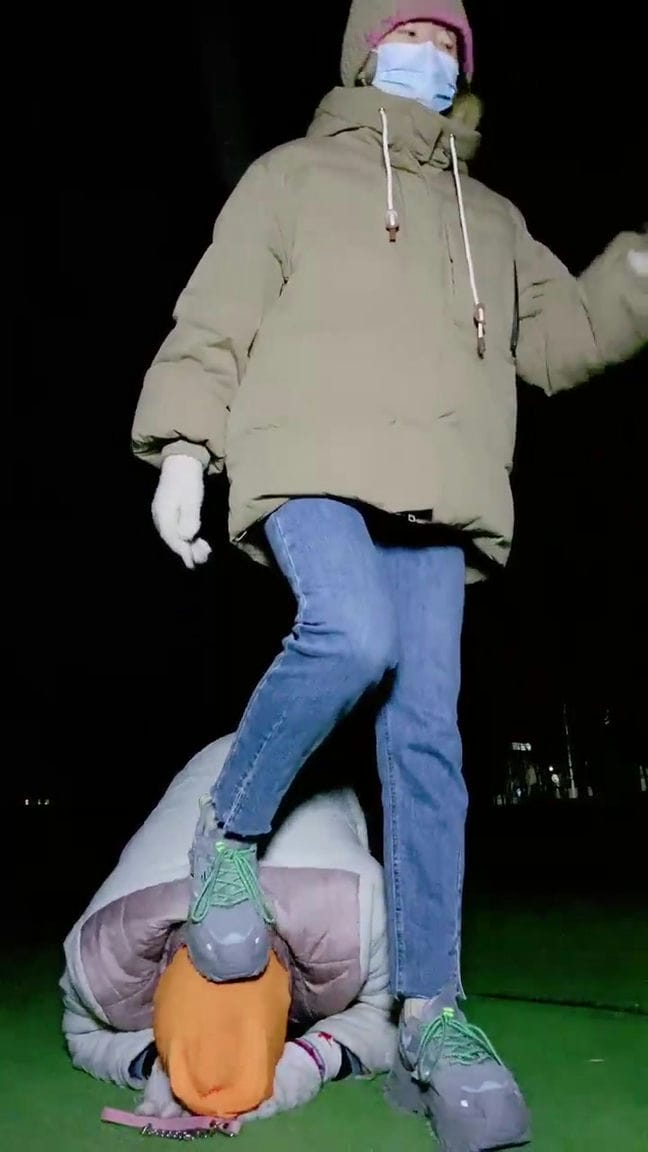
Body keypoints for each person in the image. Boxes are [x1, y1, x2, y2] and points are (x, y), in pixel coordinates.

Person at [130, 1, 648, 1148]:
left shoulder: (490, 215)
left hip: (441, 490)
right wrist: (183, 450)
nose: (433, 57)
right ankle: (230, 836)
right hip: (307, 458)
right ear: (367, 54)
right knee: (349, 633)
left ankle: (431, 1016)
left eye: (449, 45)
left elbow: (560, 342)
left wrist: (638, 272)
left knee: (427, 747)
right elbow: (217, 314)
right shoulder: (291, 176)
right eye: (412, 37)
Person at [60, 734, 395, 1128]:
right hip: (203, 770)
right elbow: (80, 1032)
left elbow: (394, 1017)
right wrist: (157, 1059)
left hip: (310, 763)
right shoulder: (97, 956)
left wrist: (309, 1060)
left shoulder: (361, 911)